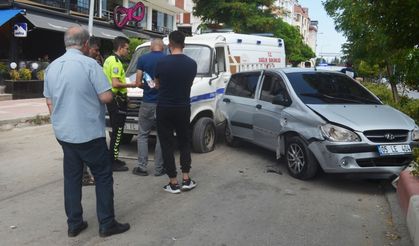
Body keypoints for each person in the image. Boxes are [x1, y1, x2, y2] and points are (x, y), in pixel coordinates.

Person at [43, 26, 130, 238]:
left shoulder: (52, 67)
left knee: (72, 178)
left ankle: (74, 223)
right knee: (102, 176)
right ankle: (107, 223)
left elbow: (49, 102)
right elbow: (106, 98)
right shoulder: (90, 65)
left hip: (64, 133)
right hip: (89, 133)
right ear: (85, 44)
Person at [154, 31, 197, 194]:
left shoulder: (161, 63)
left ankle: (173, 182)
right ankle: (186, 179)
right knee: (184, 142)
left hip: (164, 107)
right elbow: (189, 83)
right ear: (184, 44)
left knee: (167, 144)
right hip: (183, 107)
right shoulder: (192, 64)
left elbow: (157, 84)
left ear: (169, 44)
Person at [132, 38, 166, 177]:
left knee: (143, 135)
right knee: (161, 136)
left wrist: (146, 84)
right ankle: (159, 169)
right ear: (162, 48)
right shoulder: (167, 59)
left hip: (147, 102)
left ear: (151, 47)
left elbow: (138, 82)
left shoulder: (143, 59)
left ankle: (142, 167)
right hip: (163, 103)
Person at [103, 36, 137, 172]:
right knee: (118, 133)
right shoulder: (116, 62)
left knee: (116, 132)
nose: (128, 51)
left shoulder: (109, 60)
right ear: (120, 47)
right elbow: (115, 83)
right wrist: (132, 84)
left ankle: (114, 157)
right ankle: (112, 162)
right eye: (127, 49)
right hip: (117, 101)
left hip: (113, 100)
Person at [81, 36, 102, 186]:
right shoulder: (90, 65)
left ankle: (83, 175)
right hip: (86, 115)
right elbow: (105, 95)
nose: (97, 52)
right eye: (95, 49)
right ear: (88, 47)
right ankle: (85, 176)